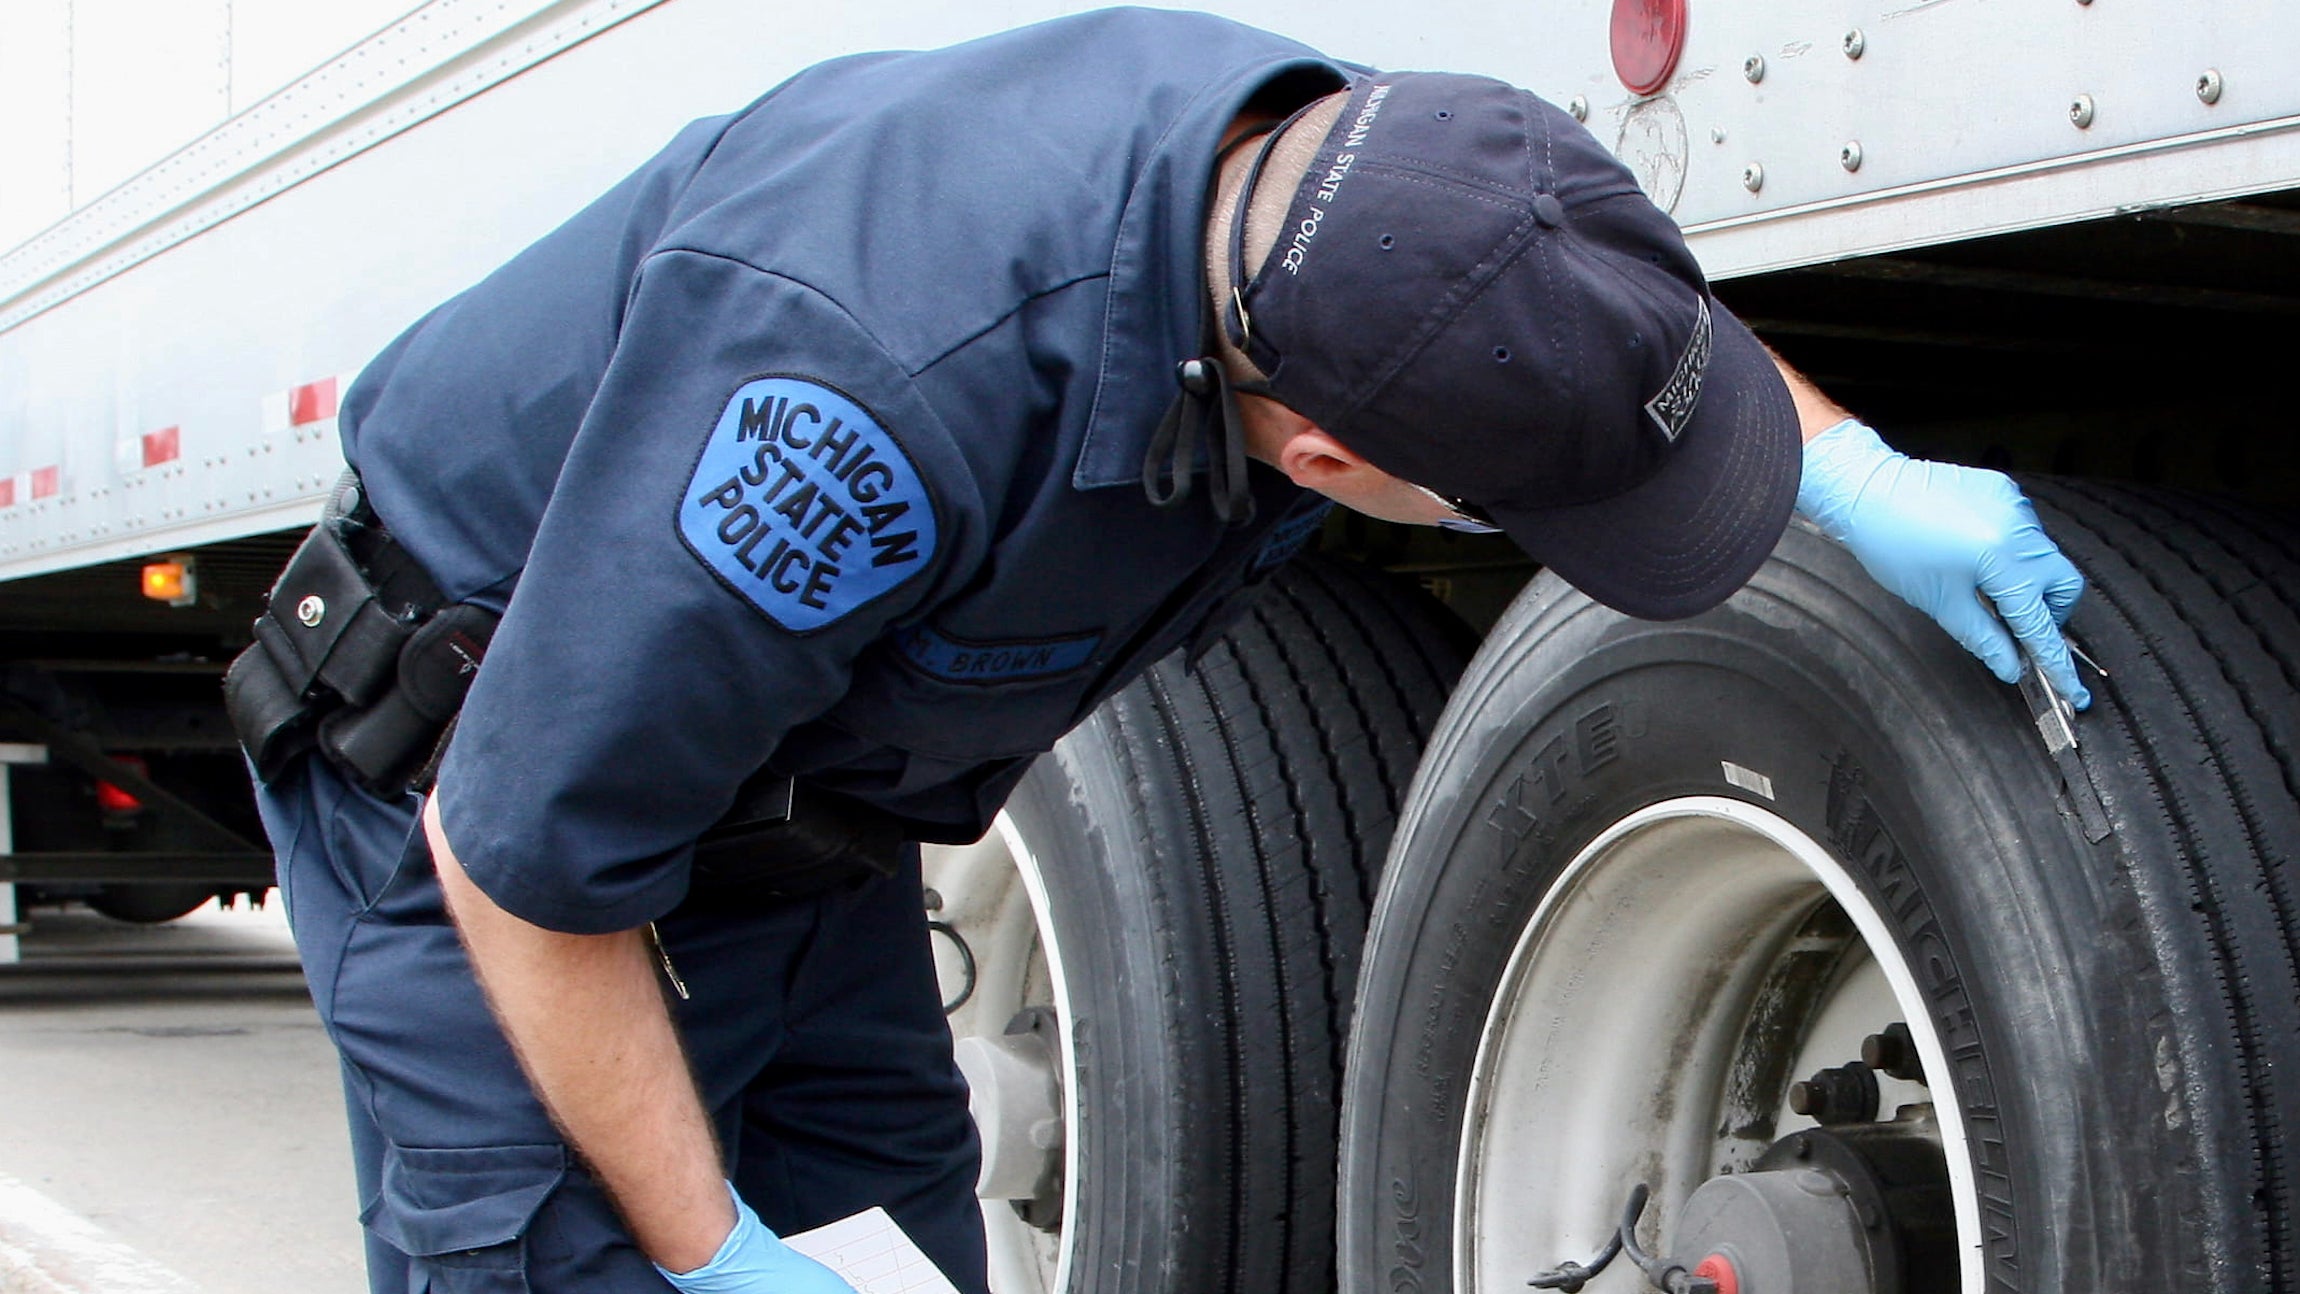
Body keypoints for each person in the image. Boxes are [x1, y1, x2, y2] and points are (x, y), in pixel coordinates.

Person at [229, 10, 2090, 1293]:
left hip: (790, 810)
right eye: (1499, 509)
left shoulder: (1370, 193)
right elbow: (526, 852)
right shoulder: (859, 412)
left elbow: (1588, 307)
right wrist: (710, 1247)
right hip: (485, 797)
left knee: (896, 1241)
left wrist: (1851, 474)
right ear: (1329, 463)